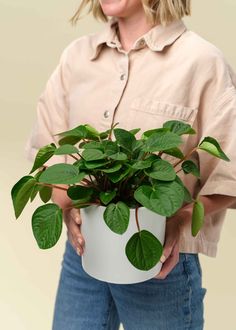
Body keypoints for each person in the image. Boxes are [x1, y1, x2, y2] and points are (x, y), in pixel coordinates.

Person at [24, 0, 236, 329]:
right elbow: (49, 153)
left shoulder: (201, 62)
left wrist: (179, 219)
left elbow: (230, 176)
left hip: (159, 262)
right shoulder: (77, 58)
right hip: (82, 259)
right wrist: (67, 208)